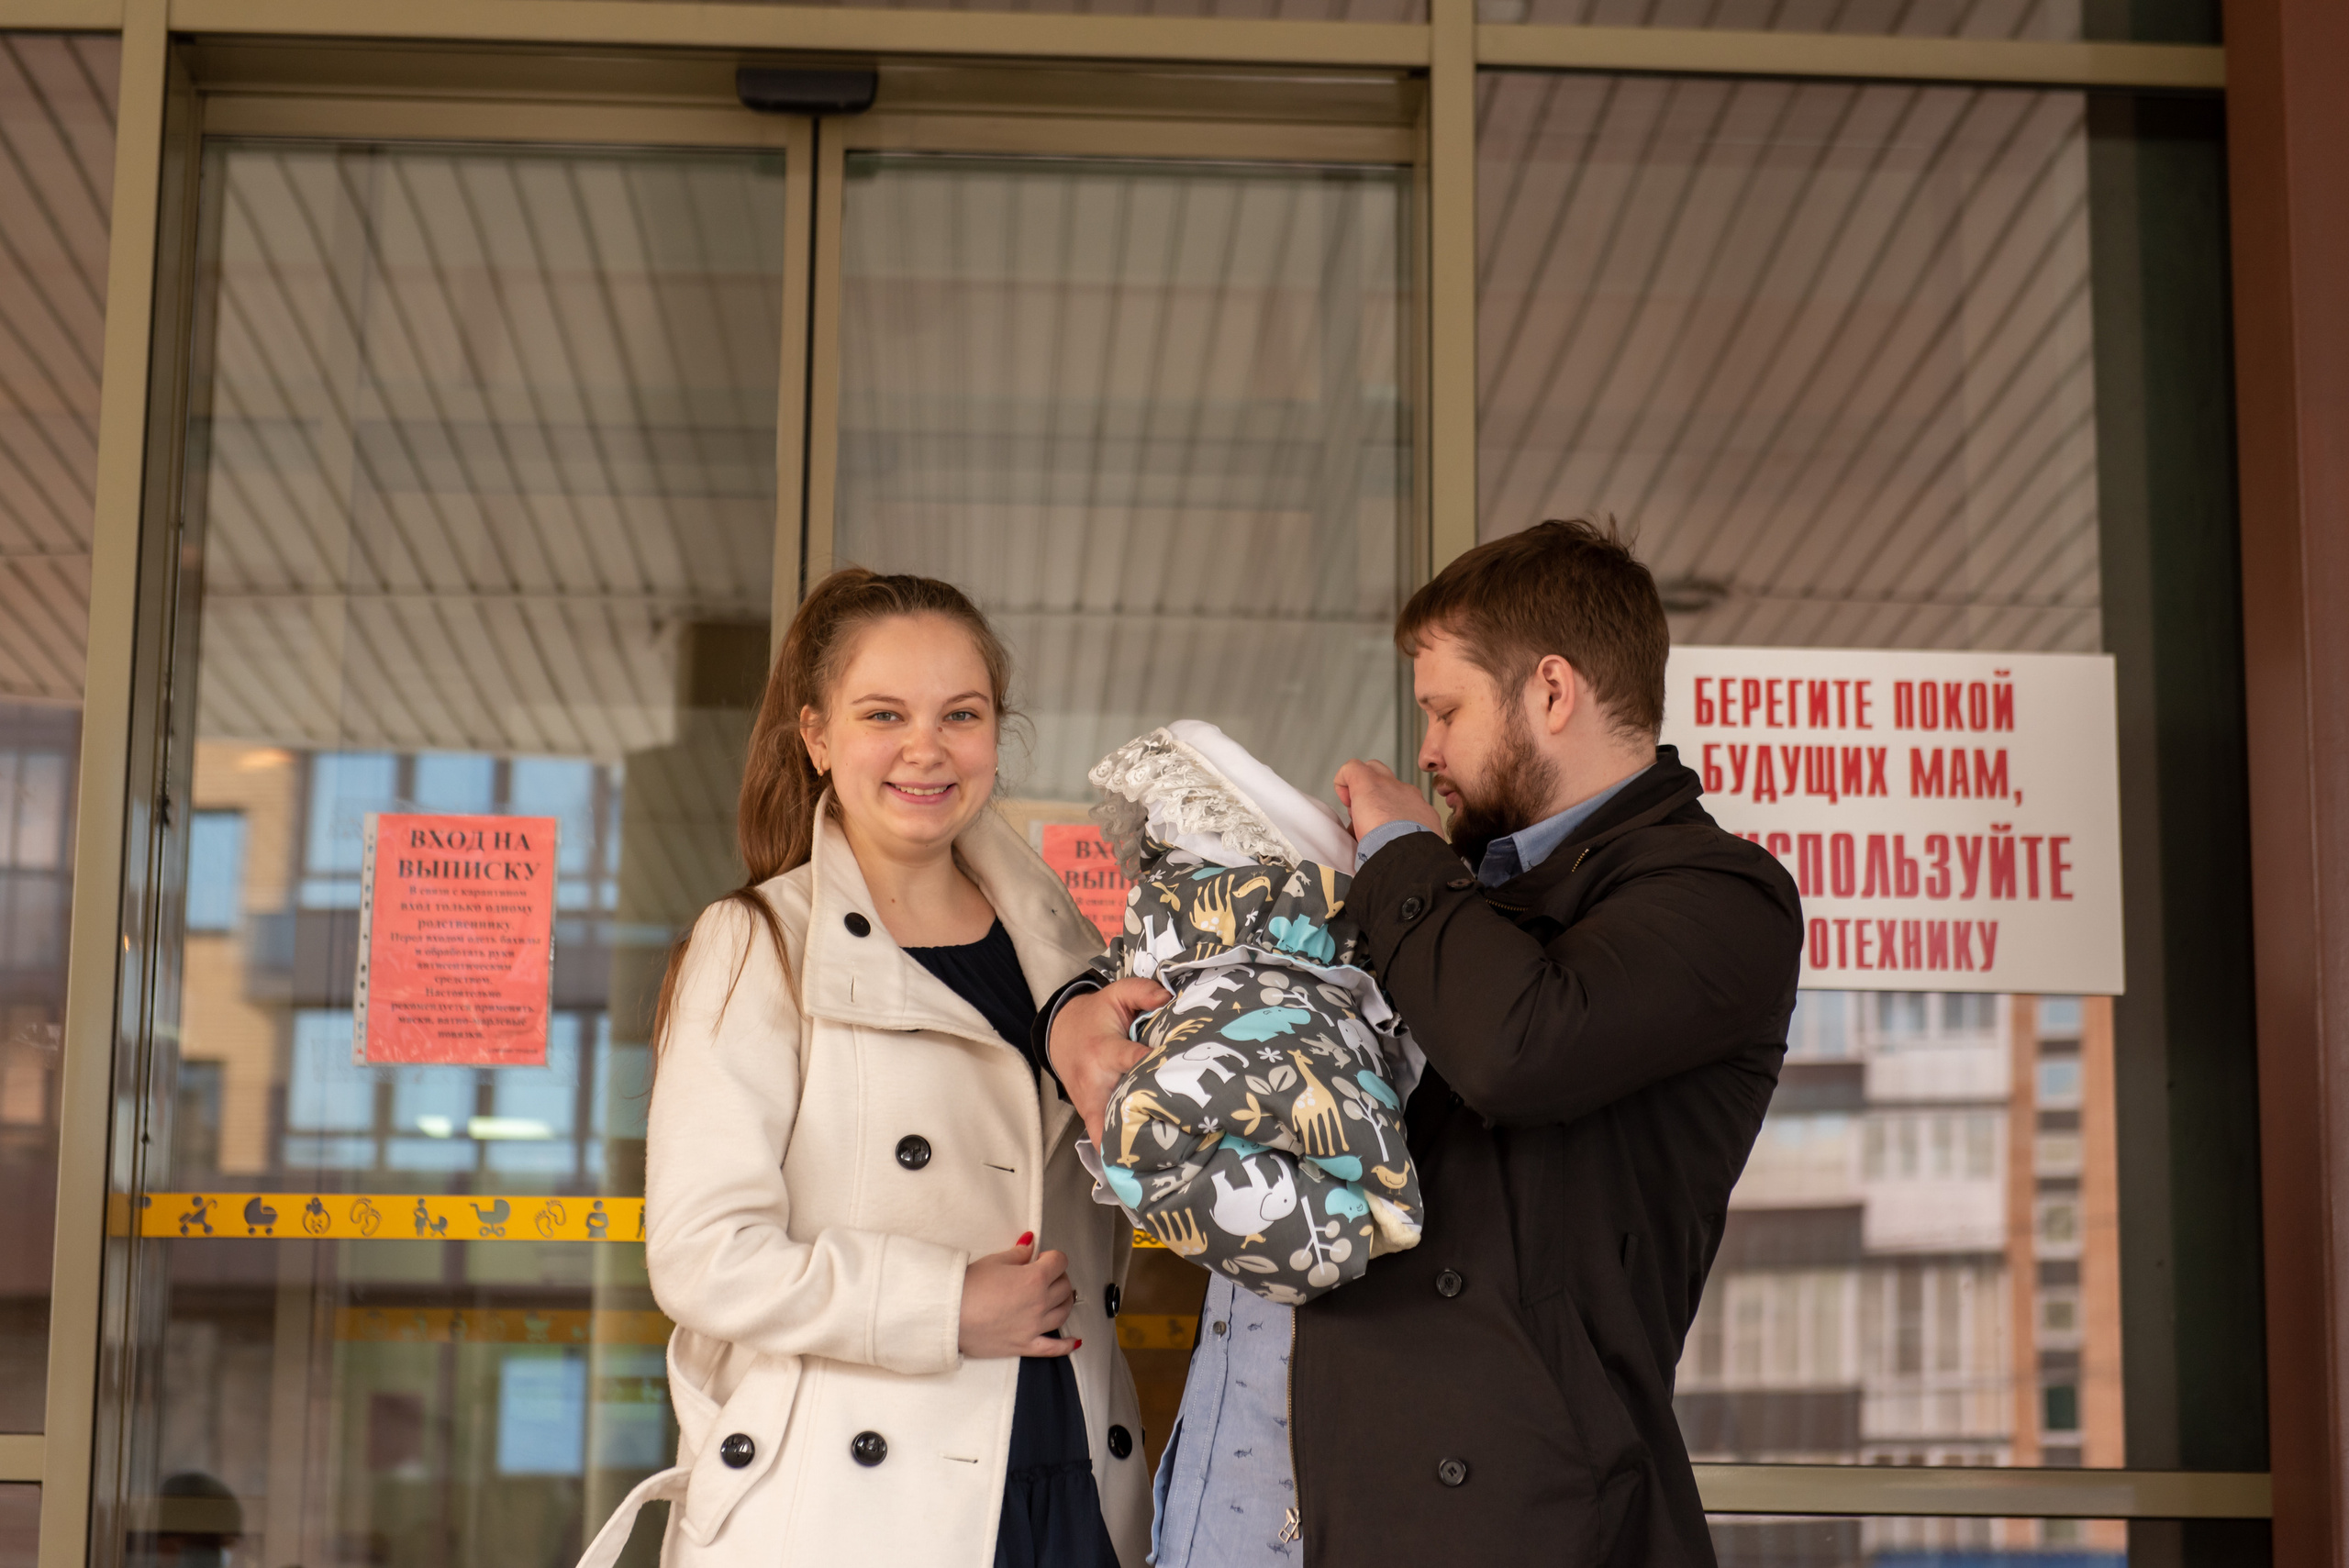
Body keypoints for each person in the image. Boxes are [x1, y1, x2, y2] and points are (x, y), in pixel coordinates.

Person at [1046, 519, 1804, 1566]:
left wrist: (1400, 848)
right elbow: (1245, 981)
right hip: (1257, 1480)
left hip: (1497, 1520)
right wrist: (1081, 1009)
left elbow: (1516, 1043)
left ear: (1550, 690)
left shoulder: (1717, 896)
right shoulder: (1444, 891)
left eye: (1445, 709)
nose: (1427, 749)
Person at [577, 569, 1152, 1568]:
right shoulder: (758, 940)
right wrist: (942, 1303)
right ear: (816, 736)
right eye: (883, 713)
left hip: (1066, 1465)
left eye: (960, 714)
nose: (926, 748)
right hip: (853, 1502)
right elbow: (702, 1252)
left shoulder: (1072, 964)